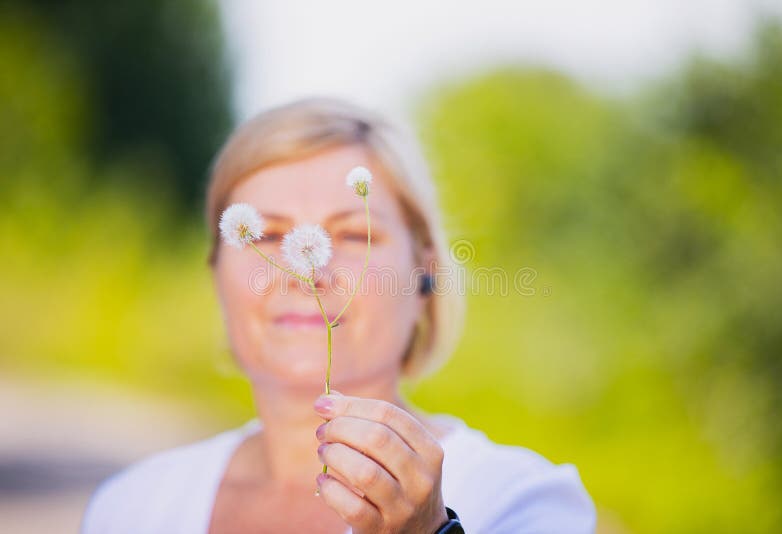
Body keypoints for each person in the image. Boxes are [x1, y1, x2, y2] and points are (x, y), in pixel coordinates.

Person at [80, 97, 596, 533]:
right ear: (216, 270)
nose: (307, 271)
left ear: (425, 276)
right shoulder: (131, 509)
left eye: (352, 235)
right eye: (265, 236)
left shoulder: (525, 504)